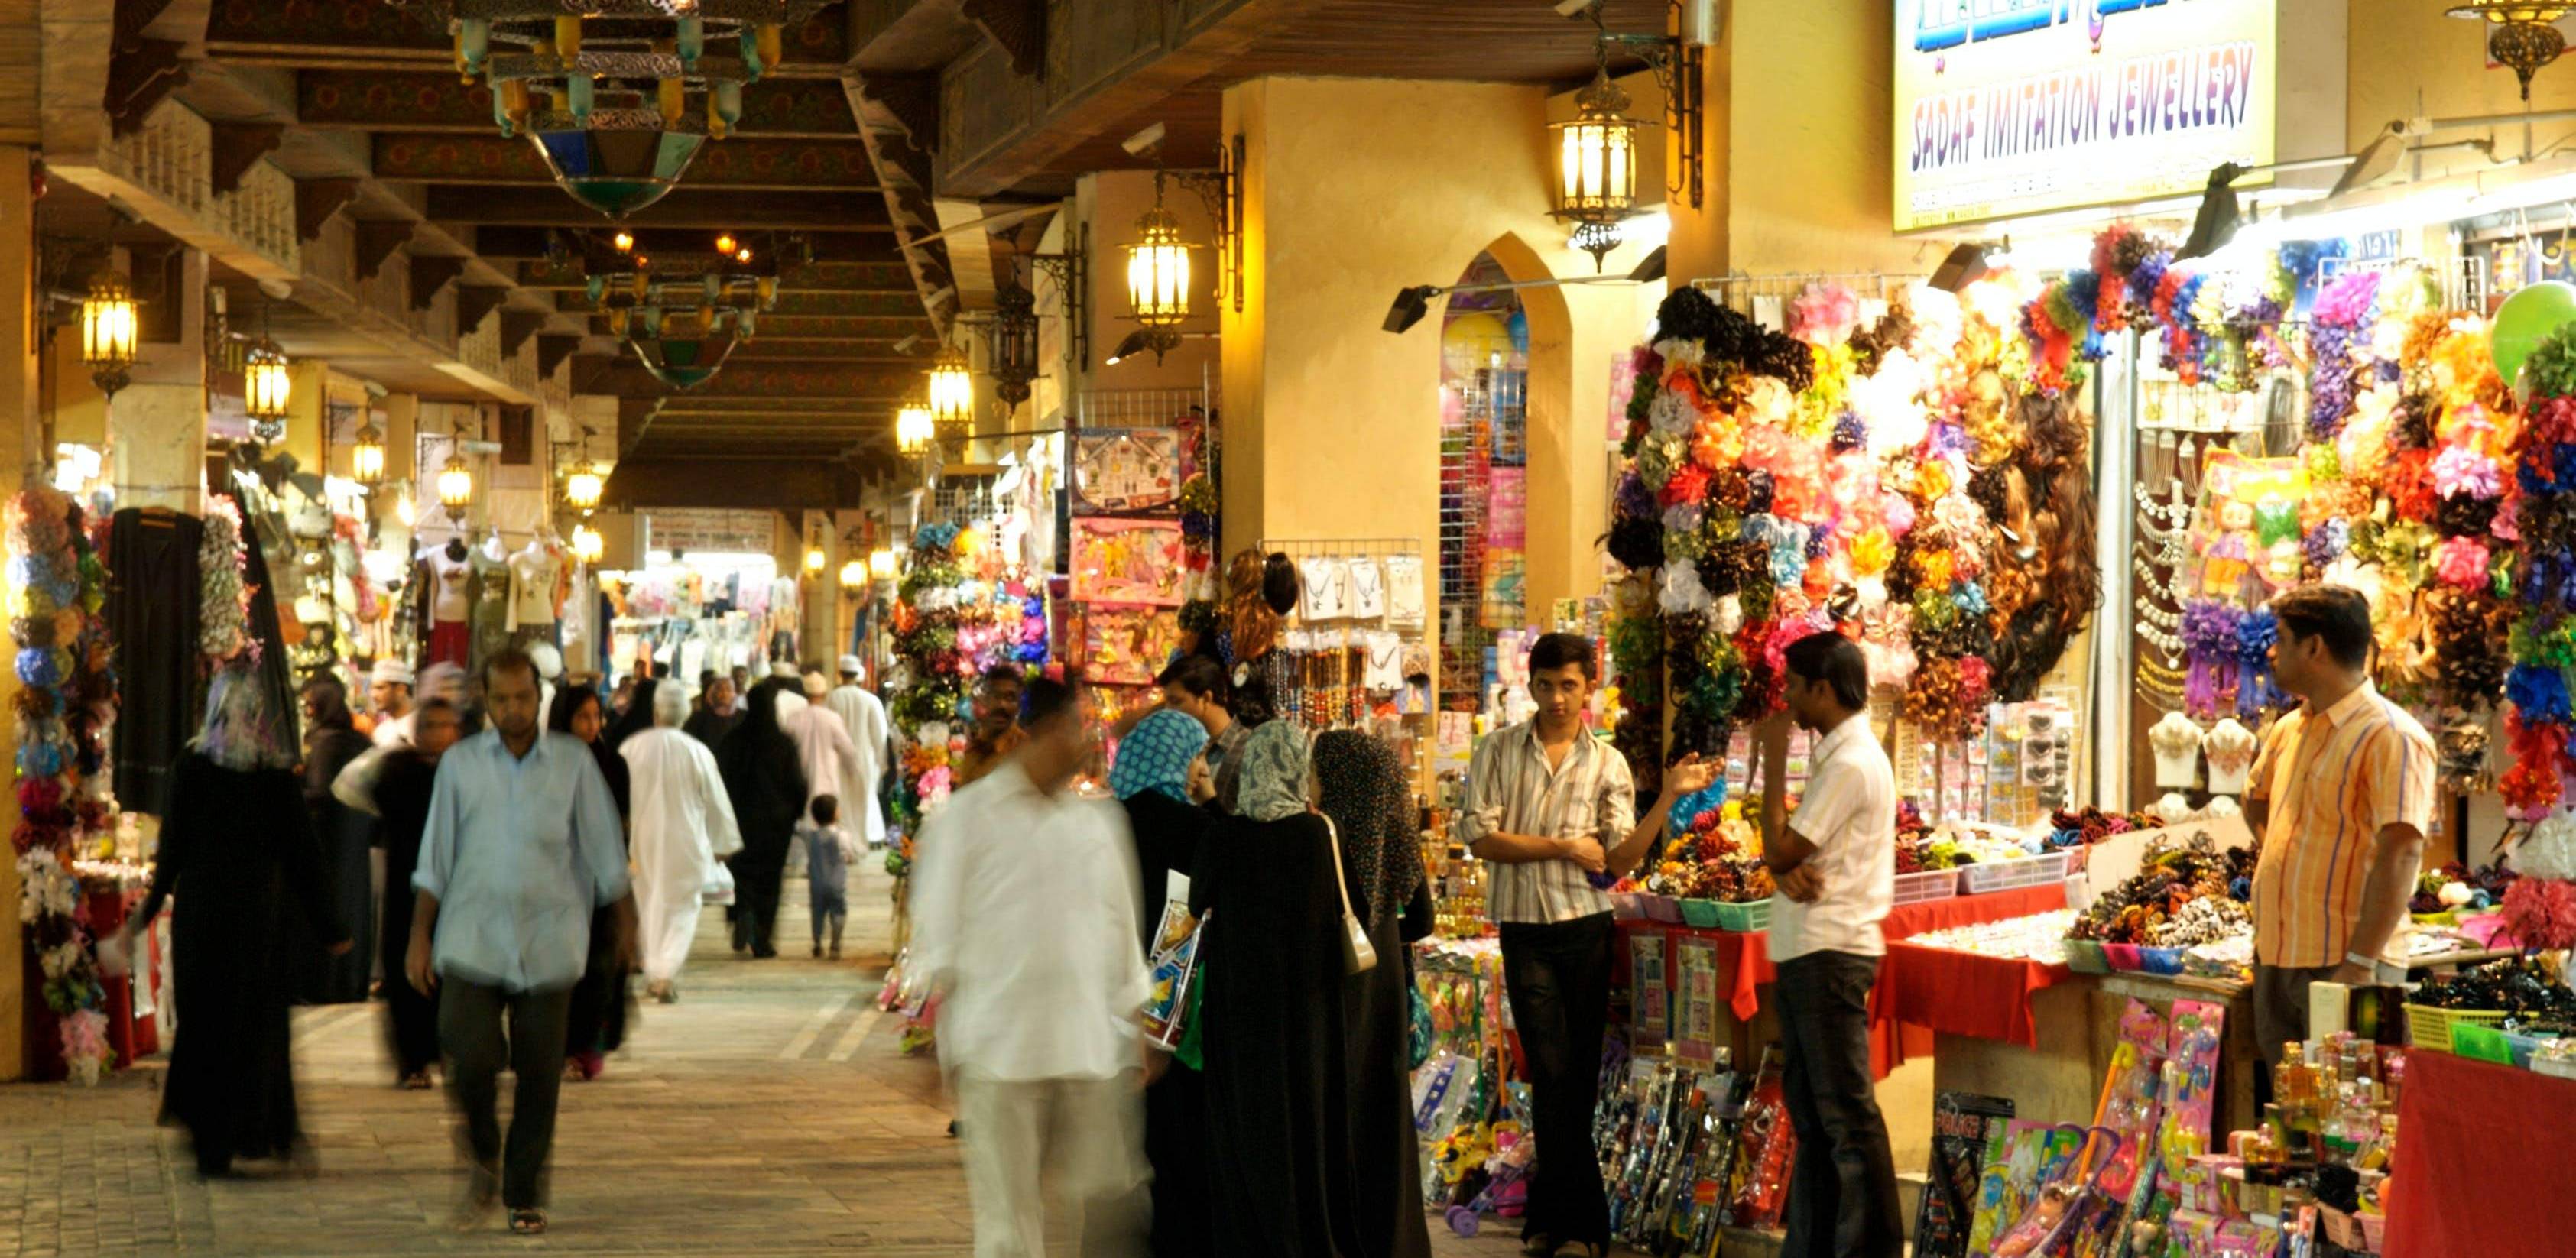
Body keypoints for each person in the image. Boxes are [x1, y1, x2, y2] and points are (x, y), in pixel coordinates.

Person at [1456, 632, 1706, 1258]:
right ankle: (1583, 1222)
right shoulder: (1496, 751)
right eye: (1545, 685)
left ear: (1589, 686)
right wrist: (1564, 845)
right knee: (1550, 1071)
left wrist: (1669, 798)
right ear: (1530, 685)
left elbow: (1619, 859)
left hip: (1587, 928)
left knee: (1578, 1079)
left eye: (1569, 685)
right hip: (1523, 930)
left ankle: (1552, 1221)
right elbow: (1481, 839)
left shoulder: (1608, 763)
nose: (1557, 698)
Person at [910, 677, 1150, 1258]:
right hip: (1000, 1050)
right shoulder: (969, 819)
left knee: (1101, 1209)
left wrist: (1139, 1021)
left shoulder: (1097, 824)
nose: (1087, 739)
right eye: (1077, 726)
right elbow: (938, 929)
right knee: (1008, 1221)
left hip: (1081, 1050)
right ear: (1042, 731)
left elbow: (1120, 929)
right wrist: (942, 1039)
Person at [407, 650, 636, 1237]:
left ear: (540, 698)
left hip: (550, 937)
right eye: (502, 699)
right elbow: (435, 857)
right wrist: (419, 935)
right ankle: (483, 1148)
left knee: (539, 1071)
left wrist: (627, 926)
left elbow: (607, 855)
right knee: (469, 1050)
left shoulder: (573, 764)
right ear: (487, 700)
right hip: (472, 936)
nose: (514, 709)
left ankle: (523, 1190)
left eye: (524, 698)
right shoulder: (460, 765)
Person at [128, 667, 350, 1177]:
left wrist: (148, 909)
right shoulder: (272, 773)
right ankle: (251, 1130)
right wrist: (331, 927)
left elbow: (173, 850)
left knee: (208, 1025)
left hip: (206, 922)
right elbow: (304, 857)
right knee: (252, 1028)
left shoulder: (193, 764)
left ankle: (215, 1139)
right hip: (256, 922)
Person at [1191, 720, 1362, 1257]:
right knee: (1307, 1120)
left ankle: (1254, 1236)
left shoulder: (1226, 836)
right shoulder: (1317, 834)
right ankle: (1311, 1234)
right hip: (1309, 1010)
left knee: (1247, 1124)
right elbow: (1349, 903)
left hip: (1241, 1011)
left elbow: (1196, 904)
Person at [2243, 584, 2434, 1066]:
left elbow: (2403, 851)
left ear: (2314, 648)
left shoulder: (2391, 736)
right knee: (2291, 1121)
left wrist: (2361, 962)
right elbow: (2256, 801)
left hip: (2348, 965)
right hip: (2277, 958)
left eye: (2282, 638)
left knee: (2351, 1125)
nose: (2271, 651)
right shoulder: (2291, 728)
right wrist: (2282, 864)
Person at [1757, 631, 1902, 1258]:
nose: (1786, 699)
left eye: (1793, 685)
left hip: (1830, 951)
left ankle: (1869, 1247)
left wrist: (1769, 764)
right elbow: (1792, 857)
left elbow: (1784, 847)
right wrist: (1783, 866)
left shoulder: (1849, 762)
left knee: (1845, 1117)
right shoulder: (1838, 756)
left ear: (1823, 689)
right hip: (1808, 948)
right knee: (1814, 1119)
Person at [1317, 729, 1436, 1258]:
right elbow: (1425, 919)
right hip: (1384, 989)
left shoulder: (1319, 845)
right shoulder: (1395, 846)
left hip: (1338, 1001)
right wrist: (1387, 937)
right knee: (1385, 1120)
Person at [1108, 708, 1219, 1258]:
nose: (1202, 769)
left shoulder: (1108, 820)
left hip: (1110, 1002)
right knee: (1178, 1141)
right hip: (1175, 1008)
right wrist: (1211, 798)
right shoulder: (1196, 829)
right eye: (1199, 757)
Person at [359, 697, 464, 1089]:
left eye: (446, 724)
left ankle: (449, 1049)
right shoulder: (398, 769)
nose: (438, 733)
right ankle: (413, 1059)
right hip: (408, 884)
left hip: (455, 888)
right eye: (431, 725)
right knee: (406, 972)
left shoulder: (466, 772)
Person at [621, 681, 742, 1002]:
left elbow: (615, 796)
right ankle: (665, 972)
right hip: (686, 842)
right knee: (683, 907)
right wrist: (723, 844)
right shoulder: (696, 751)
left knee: (649, 905)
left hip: (643, 841)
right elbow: (716, 800)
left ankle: (655, 970)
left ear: (656, 711)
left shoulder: (632, 748)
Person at [554, 686, 634, 1082]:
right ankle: (559, 1045)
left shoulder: (612, 764)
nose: (591, 725)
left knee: (598, 967)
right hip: (557, 882)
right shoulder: (545, 764)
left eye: (595, 716)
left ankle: (586, 1046)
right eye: (582, 717)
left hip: (599, 882)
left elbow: (621, 824)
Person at [716, 679, 809, 958]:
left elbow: (721, 780)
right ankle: (763, 937)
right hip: (775, 826)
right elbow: (797, 783)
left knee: (741, 875)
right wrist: (798, 811)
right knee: (770, 880)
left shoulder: (733, 740)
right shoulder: (783, 743)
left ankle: (742, 913)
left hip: (741, 821)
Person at [300, 674, 378, 1005]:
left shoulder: (326, 744)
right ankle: (352, 980)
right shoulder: (359, 740)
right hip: (357, 841)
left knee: (330, 906)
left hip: (330, 844)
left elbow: (319, 794)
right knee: (356, 906)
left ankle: (329, 983)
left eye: (310, 705)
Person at [1158, 653, 1247, 814]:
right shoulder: (1181, 748)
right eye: (1166, 702)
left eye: (1176, 702)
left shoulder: (1250, 750)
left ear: (1206, 698)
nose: (1168, 711)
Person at [826, 654, 894, 847]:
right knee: (866, 795)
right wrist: (882, 761)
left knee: (844, 797)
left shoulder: (833, 698)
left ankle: (846, 838)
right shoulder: (870, 700)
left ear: (840, 674)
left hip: (839, 758)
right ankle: (869, 836)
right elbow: (879, 734)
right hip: (865, 756)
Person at [800, 795, 858, 958]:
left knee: (817, 914)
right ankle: (835, 943)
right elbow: (850, 854)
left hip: (816, 884)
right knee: (839, 912)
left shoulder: (811, 836)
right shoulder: (842, 836)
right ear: (835, 814)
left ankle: (817, 944)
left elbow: (797, 829)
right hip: (836, 884)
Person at [952, 665, 1027, 787]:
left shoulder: (1025, 751)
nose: (1002, 705)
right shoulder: (973, 752)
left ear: (1018, 705)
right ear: (985, 701)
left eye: (1010, 698)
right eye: (996, 696)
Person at [684, 673, 745, 751]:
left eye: (728, 690)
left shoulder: (744, 717)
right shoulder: (698, 719)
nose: (724, 693)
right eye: (720, 689)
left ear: (734, 693)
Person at [371, 660, 418, 748]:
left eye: (380, 688)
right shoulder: (381, 732)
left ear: (401, 690)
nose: (373, 695)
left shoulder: (423, 727)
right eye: (372, 689)